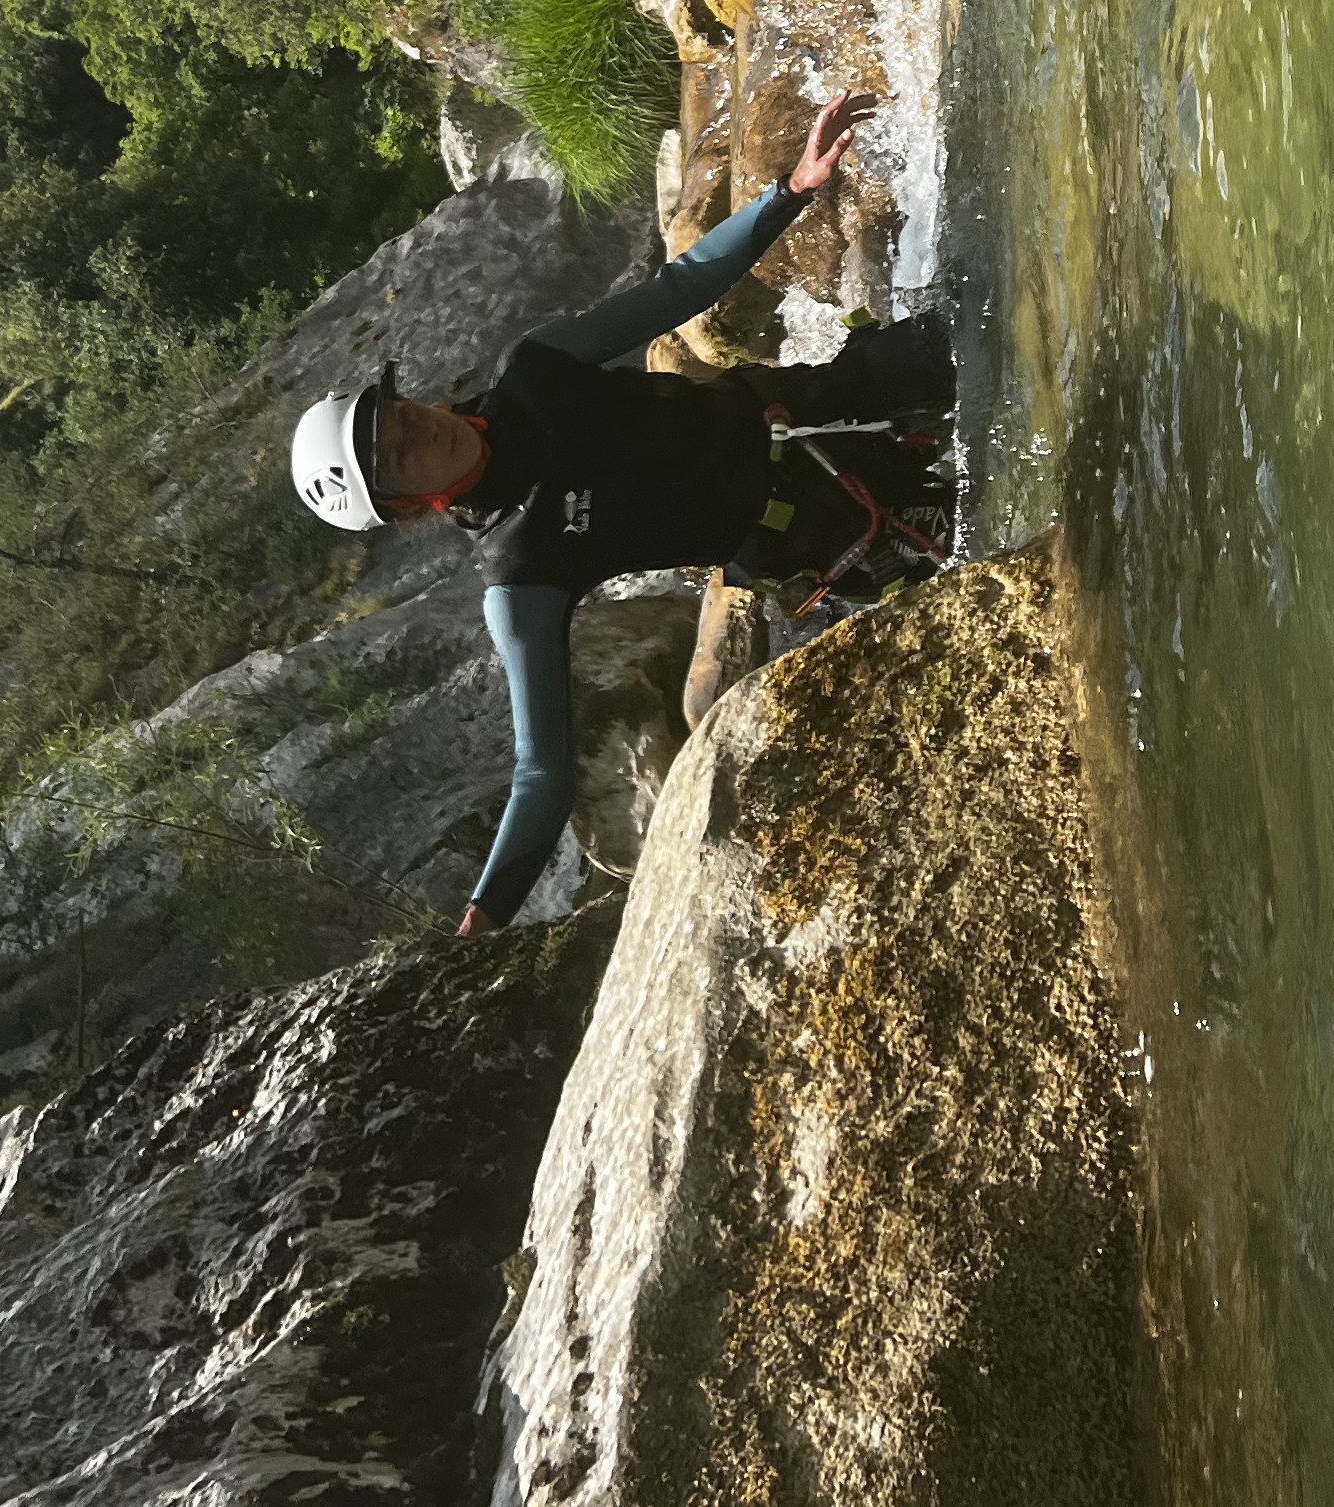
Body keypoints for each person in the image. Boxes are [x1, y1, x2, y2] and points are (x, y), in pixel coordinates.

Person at [288, 91, 955, 937]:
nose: (408, 429)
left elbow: (679, 288)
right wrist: (484, 914)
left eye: (388, 413)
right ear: (405, 505)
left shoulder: (536, 371)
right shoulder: (520, 574)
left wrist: (789, 191)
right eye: (388, 457)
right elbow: (541, 774)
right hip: (839, 534)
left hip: (834, 401)